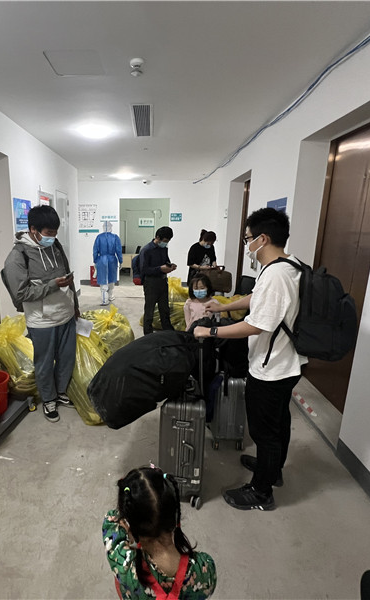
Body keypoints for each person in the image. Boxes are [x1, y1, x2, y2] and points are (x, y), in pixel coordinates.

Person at [193, 208, 306, 511]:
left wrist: (211, 330)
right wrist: (222, 306)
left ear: (262, 239)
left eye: (247, 239)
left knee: (264, 431)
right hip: (287, 362)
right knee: (279, 421)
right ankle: (273, 469)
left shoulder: (276, 275)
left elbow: (256, 325)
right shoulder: (288, 264)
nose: (247, 245)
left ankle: (261, 492)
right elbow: (257, 298)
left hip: (272, 368)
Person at [2, 205, 79, 423]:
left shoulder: (56, 246)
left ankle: (61, 392)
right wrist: (53, 285)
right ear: (33, 229)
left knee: (66, 358)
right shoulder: (17, 256)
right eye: (48, 233)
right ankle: (49, 399)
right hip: (42, 320)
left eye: (55, 232)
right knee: (44, 362)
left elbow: (68, 278)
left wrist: (76, 306)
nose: (52, 237)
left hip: (66, 314)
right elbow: (21, 293)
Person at [103, 465, 217, 599]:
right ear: (175, 517)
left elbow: (111, 519)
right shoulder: (205, 570)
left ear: (131, 527)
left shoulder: (123, 564)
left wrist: (130, 501)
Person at [138, 226, 177, 335]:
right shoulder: (146, 250)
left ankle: (168, 333)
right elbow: (144, 270)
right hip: (151, 283)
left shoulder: (163, 248)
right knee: (149, 310)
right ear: (158, 237)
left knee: (164, 309)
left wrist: (170, 266)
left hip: (163, 281)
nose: (166, 243)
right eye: (165, 241)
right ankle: (148, 334)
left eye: (168, 241)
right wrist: (160, 269)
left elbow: (166, 261)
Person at [93, 221, 123, 306]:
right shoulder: (115, 237)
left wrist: (95, 260)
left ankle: (104, 300)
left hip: (101, 260)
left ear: (103, 227)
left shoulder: (99, 237)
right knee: (111, 278)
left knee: (103, 279)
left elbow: (95, 250)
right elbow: (119, 250)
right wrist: (120, 261)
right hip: (112, 260)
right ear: (111, 227)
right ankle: (110, 296)